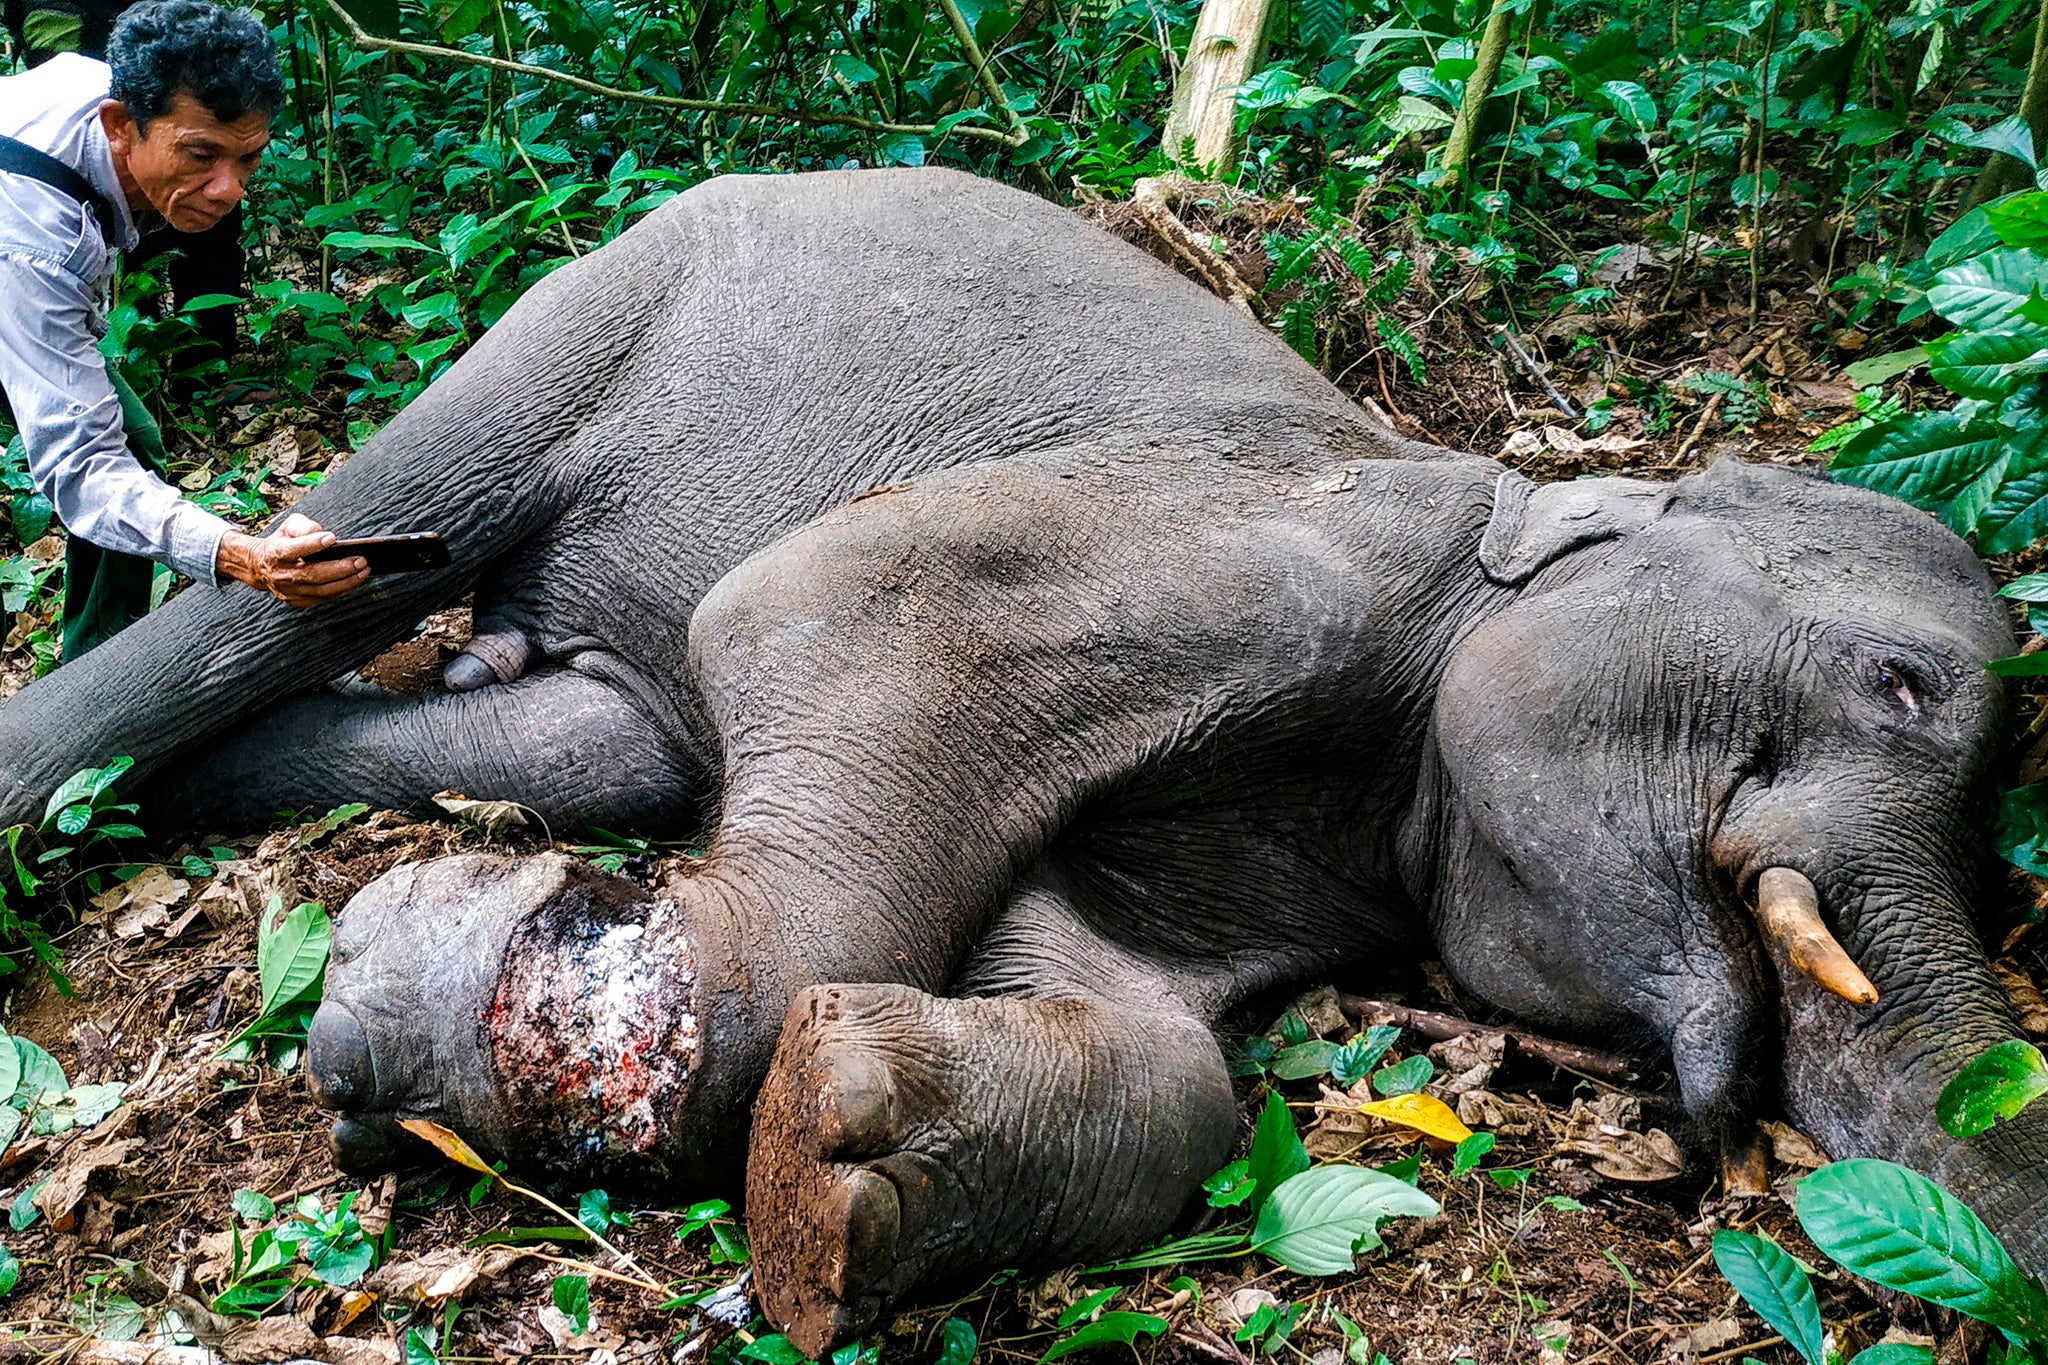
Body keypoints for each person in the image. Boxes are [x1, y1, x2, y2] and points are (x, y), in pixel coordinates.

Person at [0, 0, 366, 662]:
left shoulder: (118, 93)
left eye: (247, 159)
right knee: (103, 459)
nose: (228, 190)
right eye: (201, 155)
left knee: (132, 443)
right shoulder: (35, 240)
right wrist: (237, 553)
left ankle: (100, 667)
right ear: (121, 128)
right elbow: (80, 463)